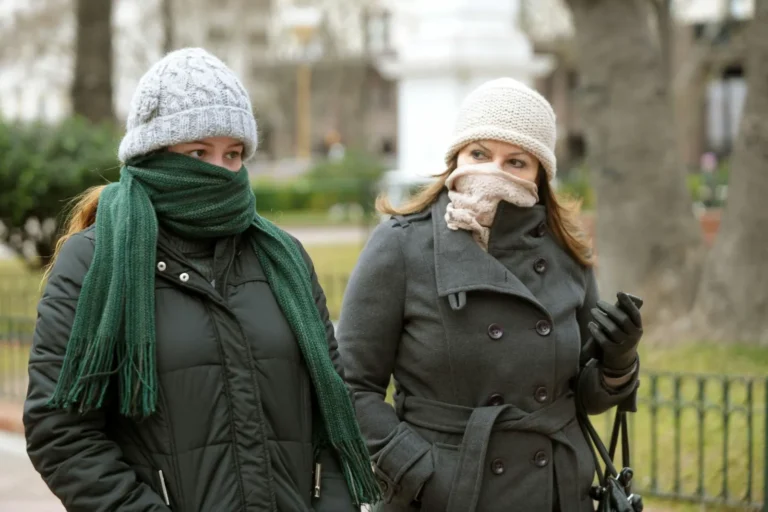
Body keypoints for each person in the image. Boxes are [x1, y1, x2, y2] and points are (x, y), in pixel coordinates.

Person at [23, 48, 379, 512]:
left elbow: (333, 407)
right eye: (198, 152)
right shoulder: (92, 262)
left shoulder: (284, 258)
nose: (221, 171)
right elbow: (61, 432)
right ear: (153, 155)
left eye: (233, 153)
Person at [336, 78, 644, 512]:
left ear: (540, 173)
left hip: (554, 494)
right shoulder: (401, 246)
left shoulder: (565, 253)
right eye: (480, 154)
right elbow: (351, 386)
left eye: (515, 161)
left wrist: (619, 360)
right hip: (449, 496)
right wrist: (420, 472)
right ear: (456, 158)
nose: (494, 172)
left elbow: (586, 398)